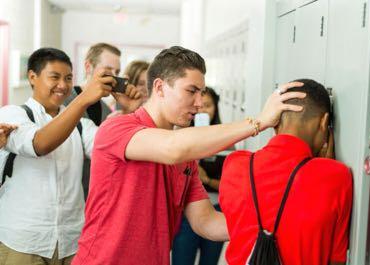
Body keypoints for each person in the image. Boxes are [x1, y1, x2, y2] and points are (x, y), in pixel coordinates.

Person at [72, 45, 306, 265]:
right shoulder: (117, 129)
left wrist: (272, 224)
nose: (199, 103)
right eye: (191, 91)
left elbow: (206, 222)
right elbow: (172, 148)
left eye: (202, 92)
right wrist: (260, 122)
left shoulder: (186, 158)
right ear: (160, 87)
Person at [0, 47, 138, 265]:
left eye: (68, 78)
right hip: (24, 242)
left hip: (70, 242)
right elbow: (39, 144)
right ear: (32, 77)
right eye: (54, 77)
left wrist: (132, 112)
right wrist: (83, 99)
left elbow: (115, 150)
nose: (63, 85)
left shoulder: (81, 126)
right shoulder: (13, 114)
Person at [219, 79, 353, 265]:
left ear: (274, 122)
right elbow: (336, 260)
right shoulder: (337, 176)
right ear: (324, 122)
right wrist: (324, 166)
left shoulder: (235, 165)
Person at [65, 43, 144, 198]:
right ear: (88, 67)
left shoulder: (107, 111)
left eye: (117, 72)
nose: (114, 77)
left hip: (94, 195)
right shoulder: (65, 101)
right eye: (108, 71)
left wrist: (129, 111)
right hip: (67, 195)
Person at [172, 87, 227, 265]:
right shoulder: (179, 139)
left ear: (216, 108)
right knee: (182, 260)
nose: (202, 110)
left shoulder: (226, 143)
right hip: (185, 212)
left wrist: (207, 180)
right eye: (199, 106)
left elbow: (228, 187)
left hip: (216, 208)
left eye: (208, 106)